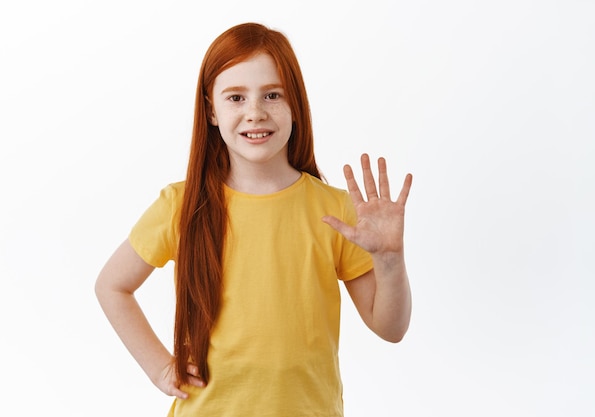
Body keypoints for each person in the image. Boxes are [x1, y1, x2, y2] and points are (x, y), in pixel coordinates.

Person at [95, 22, 412, 417]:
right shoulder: (181, 205)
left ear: (295, 104)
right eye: (236, 98)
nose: (255, 112)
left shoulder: (338, 211)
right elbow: (112, 286)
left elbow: (391, 328)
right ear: (211, 110)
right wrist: (159, 367)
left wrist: (390, 260)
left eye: (272, 95)